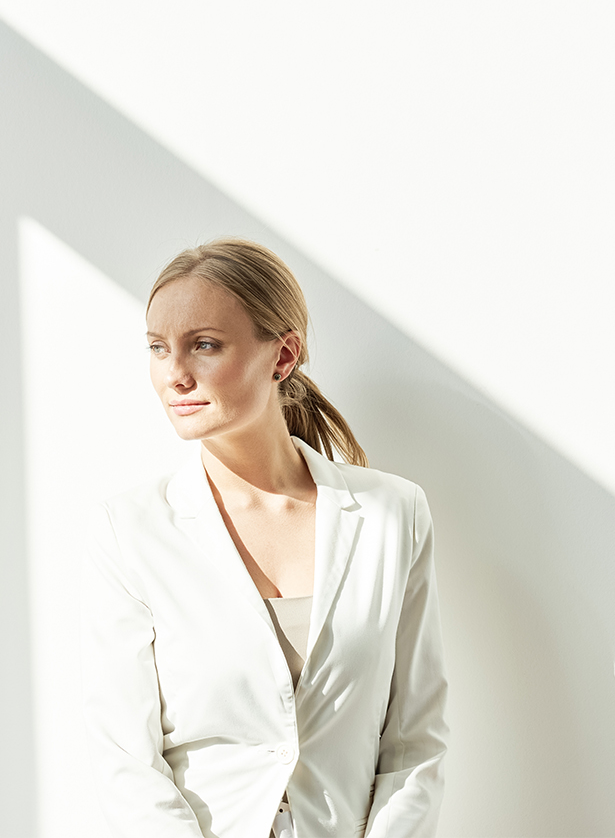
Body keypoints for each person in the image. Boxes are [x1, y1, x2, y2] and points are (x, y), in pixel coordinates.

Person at [85, 238, 448, 838]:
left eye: (204, 345)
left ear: (282, 356)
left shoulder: (394, 513)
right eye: (157, 348)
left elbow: (415, 740)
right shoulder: (130, 530)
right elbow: (125, 759)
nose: (175, 374)